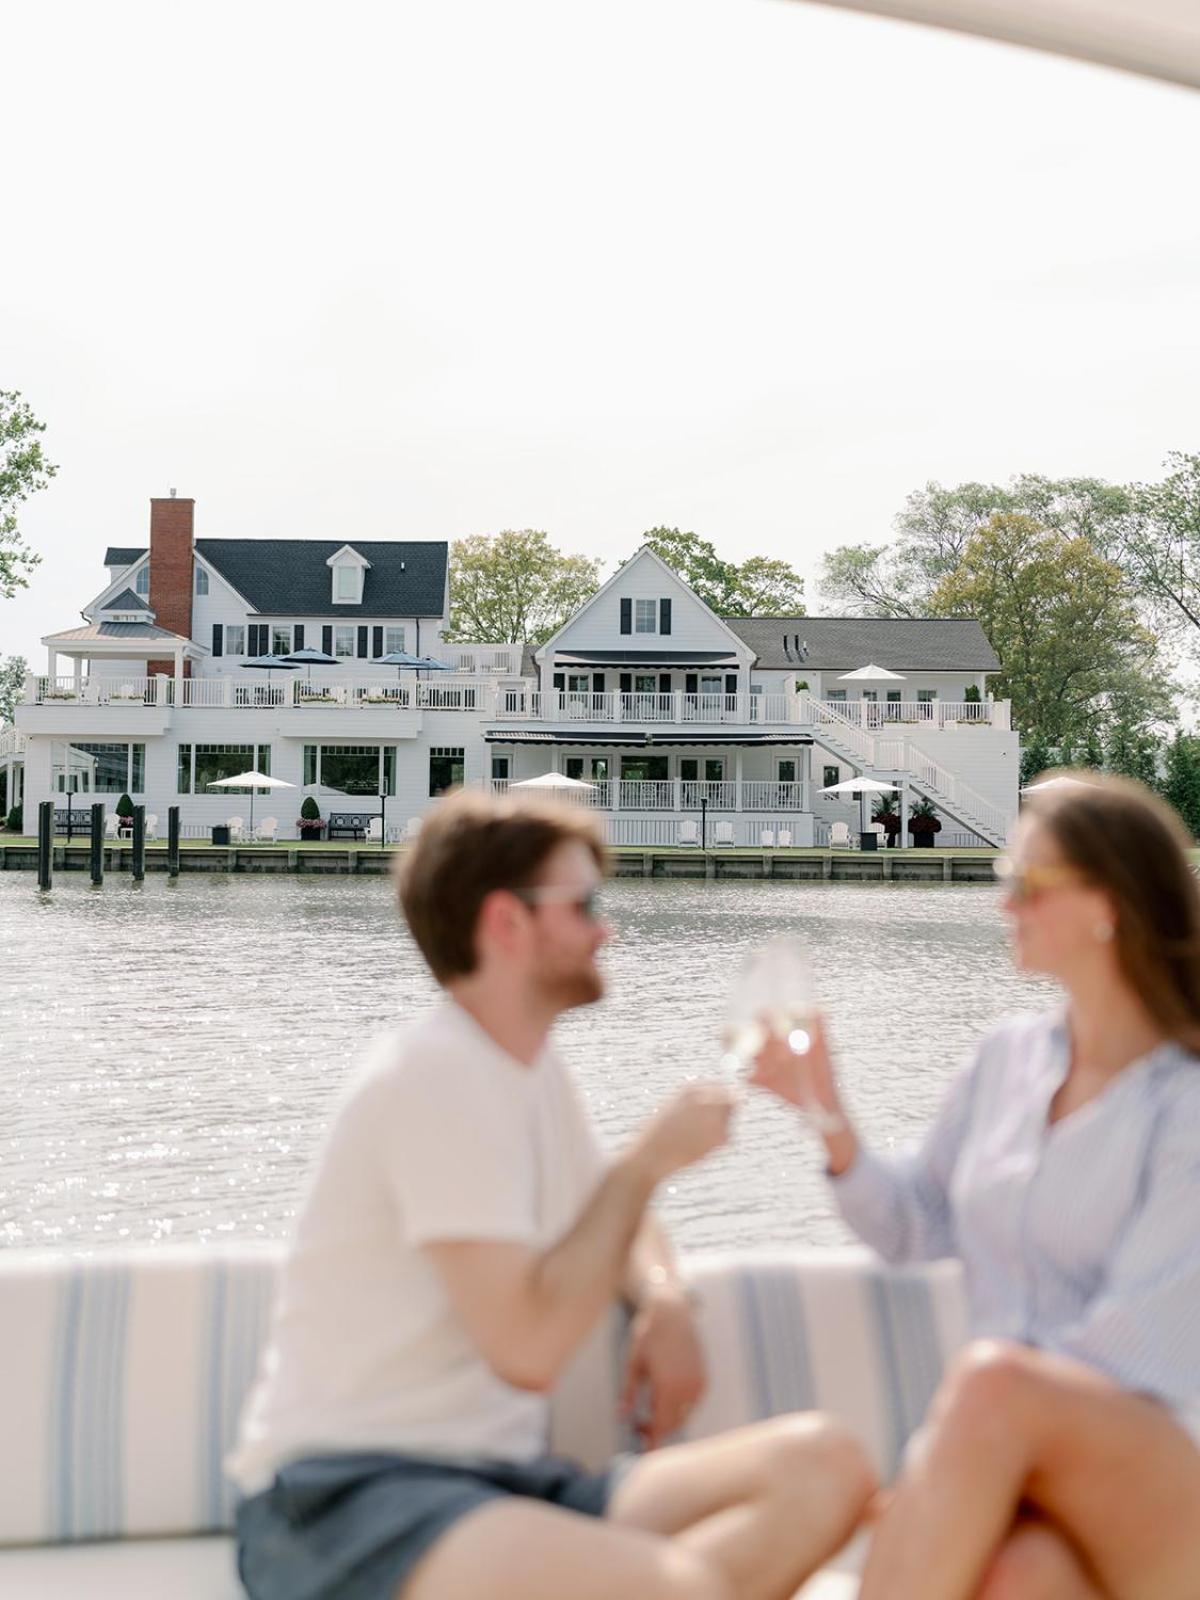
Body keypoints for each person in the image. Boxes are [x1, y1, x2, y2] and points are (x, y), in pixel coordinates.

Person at [229, 790, 873, 1600]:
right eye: (585, 905)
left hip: (500, 1483)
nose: (609, 929)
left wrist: (665, 1299)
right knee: (683, 1589)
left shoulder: (528, 1073)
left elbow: (608, 1217)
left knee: (827, 1467)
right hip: (350, 1499)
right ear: (507, 923)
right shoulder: (437, 1076)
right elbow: (527, 1352)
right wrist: (648, 1165)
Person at [753, 770, 1200, 1600]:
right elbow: (915, 1227)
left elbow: (1136, 1351)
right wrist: (827, 1116)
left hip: (1165, 1471)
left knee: (995, 1380)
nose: (1005, 906)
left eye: (1027, 885)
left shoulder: (1186, 1106)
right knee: (1017, 1579)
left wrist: (948, 1471)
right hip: (1018, 1465)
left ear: (1108, 903)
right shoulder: (1005, 1060)